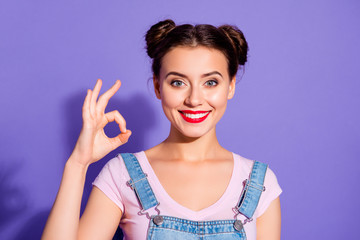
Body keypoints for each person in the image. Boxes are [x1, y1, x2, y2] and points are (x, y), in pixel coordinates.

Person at [42, 19, 282, 240]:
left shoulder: (259, 183)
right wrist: (78, 164)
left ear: (230, 87)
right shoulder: (121, 176)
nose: (194, 99)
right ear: (158, 87)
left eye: (211, 82)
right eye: (178, 82)